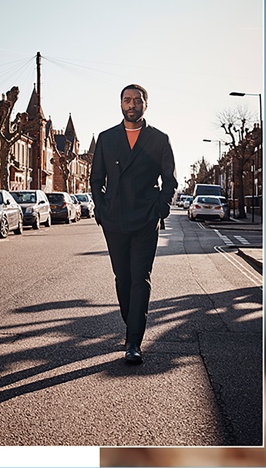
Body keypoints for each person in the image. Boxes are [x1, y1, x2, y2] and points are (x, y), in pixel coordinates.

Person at [91, 84, 177, 365]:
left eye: (137, 101)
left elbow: (170, 179)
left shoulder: (158, 139)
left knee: (140, 278)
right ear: (120, 105)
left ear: (145, 105)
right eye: (127, 100)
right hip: (114, 218)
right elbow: (96, 179)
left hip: (144, 218)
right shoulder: (106, 138)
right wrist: (101, 208)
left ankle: (133, 342)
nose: (132, 105)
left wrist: (160, 208)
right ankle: (133, 324)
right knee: (123, 278)